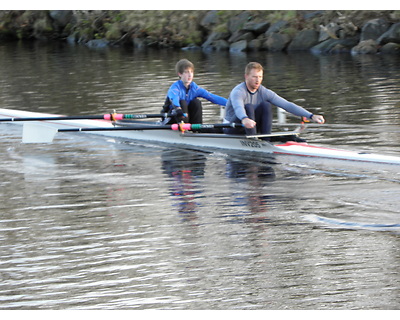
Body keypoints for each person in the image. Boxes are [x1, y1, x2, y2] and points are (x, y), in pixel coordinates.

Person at [224, 62, 325, 138]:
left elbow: (287, 105)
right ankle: (253, 141)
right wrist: (244, 118)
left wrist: (311, 116)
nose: (258, 80)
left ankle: (266, 139)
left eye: (260, 77)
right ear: (246, 76)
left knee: (266, 105)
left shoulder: (264, 91)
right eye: (254, 77)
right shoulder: (238, 91)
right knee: (248, 107)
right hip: (232, 128)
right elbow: (238, 108)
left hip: (250, 126)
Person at [163, 59, 227, 124]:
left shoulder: (195, 88)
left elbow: (212, 97)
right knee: (182, 102)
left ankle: (197, 128)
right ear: (180, 74)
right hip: (172, 117)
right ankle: (183, 127)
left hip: (186, 117)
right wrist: (178, 108)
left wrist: (230, 104)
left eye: (191, 72)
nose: (190, 75)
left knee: (196, 102)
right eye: (187, 72)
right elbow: (174, 98)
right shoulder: (175, 87)